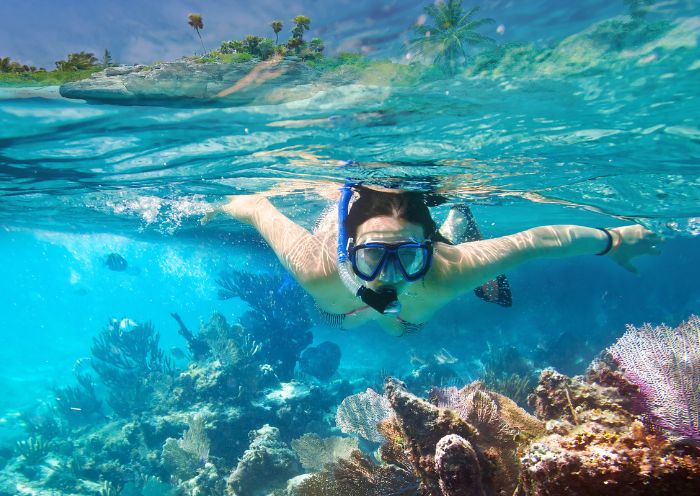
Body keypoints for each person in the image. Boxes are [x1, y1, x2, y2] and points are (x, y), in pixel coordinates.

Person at [205, 184, 662, 336]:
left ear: (428, 249)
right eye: (371, 256)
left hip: (417, 292)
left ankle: (454, 225)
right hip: (341, 308)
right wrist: (216, 206)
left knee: (401, 327)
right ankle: (449, 229)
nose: (388, 275)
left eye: (407, 256)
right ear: (348, 252)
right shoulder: (317, 267)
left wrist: (614, 239)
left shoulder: (448, 270)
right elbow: (256, 205)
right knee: (346, 317)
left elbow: (538, 240)